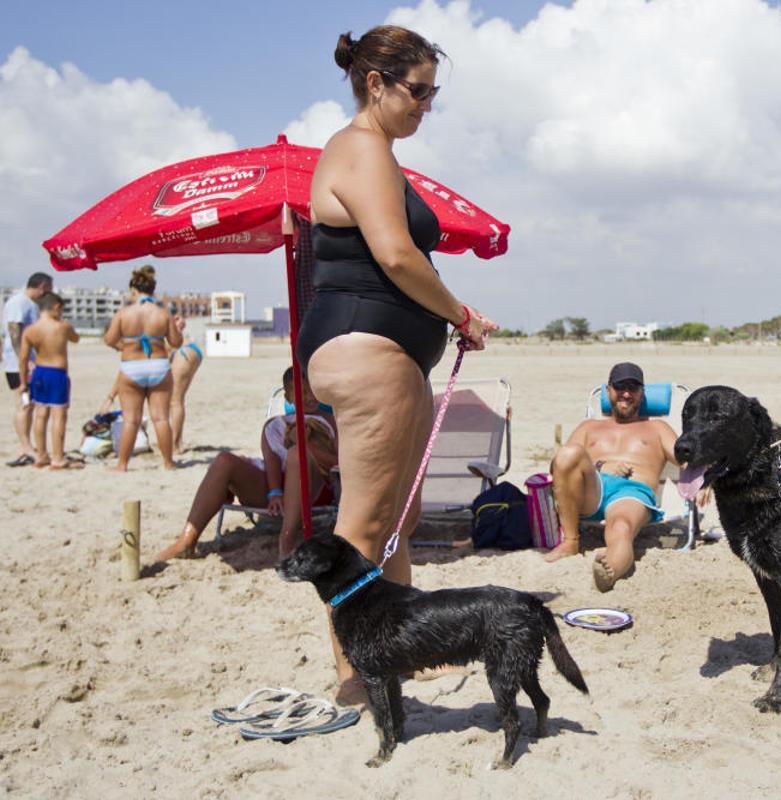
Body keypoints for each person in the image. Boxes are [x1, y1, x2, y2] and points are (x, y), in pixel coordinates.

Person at [296, 25, 496, 703]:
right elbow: (396, 254)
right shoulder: (361, 147)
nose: (426, 106)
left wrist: (452, 315)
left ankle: (399, 651)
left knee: (397, 521)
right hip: (367, 349)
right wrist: (460, 315)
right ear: (375, 83)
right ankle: (356, 676)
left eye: (433, 94)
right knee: (363, 526)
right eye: (418, 91)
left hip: (387, 351)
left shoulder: (373, 151)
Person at [544, 363, 708, 592]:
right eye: (620, 387)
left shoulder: (657, 427)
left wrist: (705, 479)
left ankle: (609, 570)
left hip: (631, 492)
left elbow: (686, 459)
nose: (626, 394)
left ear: (642, 393)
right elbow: (559, 465)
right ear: (608, 391)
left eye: (633, 388)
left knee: (620, 526)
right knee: (570, 452)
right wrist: (601, 465)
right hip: (593, 489)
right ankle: (570, 541)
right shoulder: (588, 427)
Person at [153, 367, 338, 563]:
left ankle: (287, 539)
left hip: (313, 489)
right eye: (301, 392)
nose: (308, 397)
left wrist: (305, 447)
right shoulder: (274, 424)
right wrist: (274, 492)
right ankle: (187, 541)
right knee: (224, 460)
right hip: (274, 489)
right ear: (288, 397)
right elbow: (271, 460)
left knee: (296, 454)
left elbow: (339, 461)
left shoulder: (331, 421)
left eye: (312, 390)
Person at [102, 266, 183, 471]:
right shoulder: (163, 313)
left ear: (134, 290)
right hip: (158, 365)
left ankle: (122, 465)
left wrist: (125, 345)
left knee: (131, 419)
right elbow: (176, 342)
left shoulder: (124, 313)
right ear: (153, 290)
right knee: (161, 417)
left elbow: (109, 339)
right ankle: (168, 463)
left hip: (132, 366)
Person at [18, 292, 81, 469]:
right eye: (61, 310)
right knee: (59, 415)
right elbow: (76, 339)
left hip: (39, 372)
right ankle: (58, 457)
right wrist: (65, 323)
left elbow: (23, 359)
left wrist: (23, 382)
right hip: (57, 373)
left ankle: (42, 455)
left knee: (40, 414)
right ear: (56, 307)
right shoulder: (62, 326)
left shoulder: (30, 330)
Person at [4, 272, 53, 466]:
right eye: (48, 289)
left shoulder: (31, 304)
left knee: (30, 404)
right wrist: (23, 361)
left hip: (31, 361)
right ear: (41, 286)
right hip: (19, 364)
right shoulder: (19, 302)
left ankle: (28, 447)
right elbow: (14, 332)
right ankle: (25, 448)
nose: (49, 293)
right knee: (23, 404)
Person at [168, 313, 204, 452]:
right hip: (189, 350)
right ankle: (178, 442)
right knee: (178, 400)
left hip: (183, 352)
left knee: (175, 401)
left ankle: (175, 444)